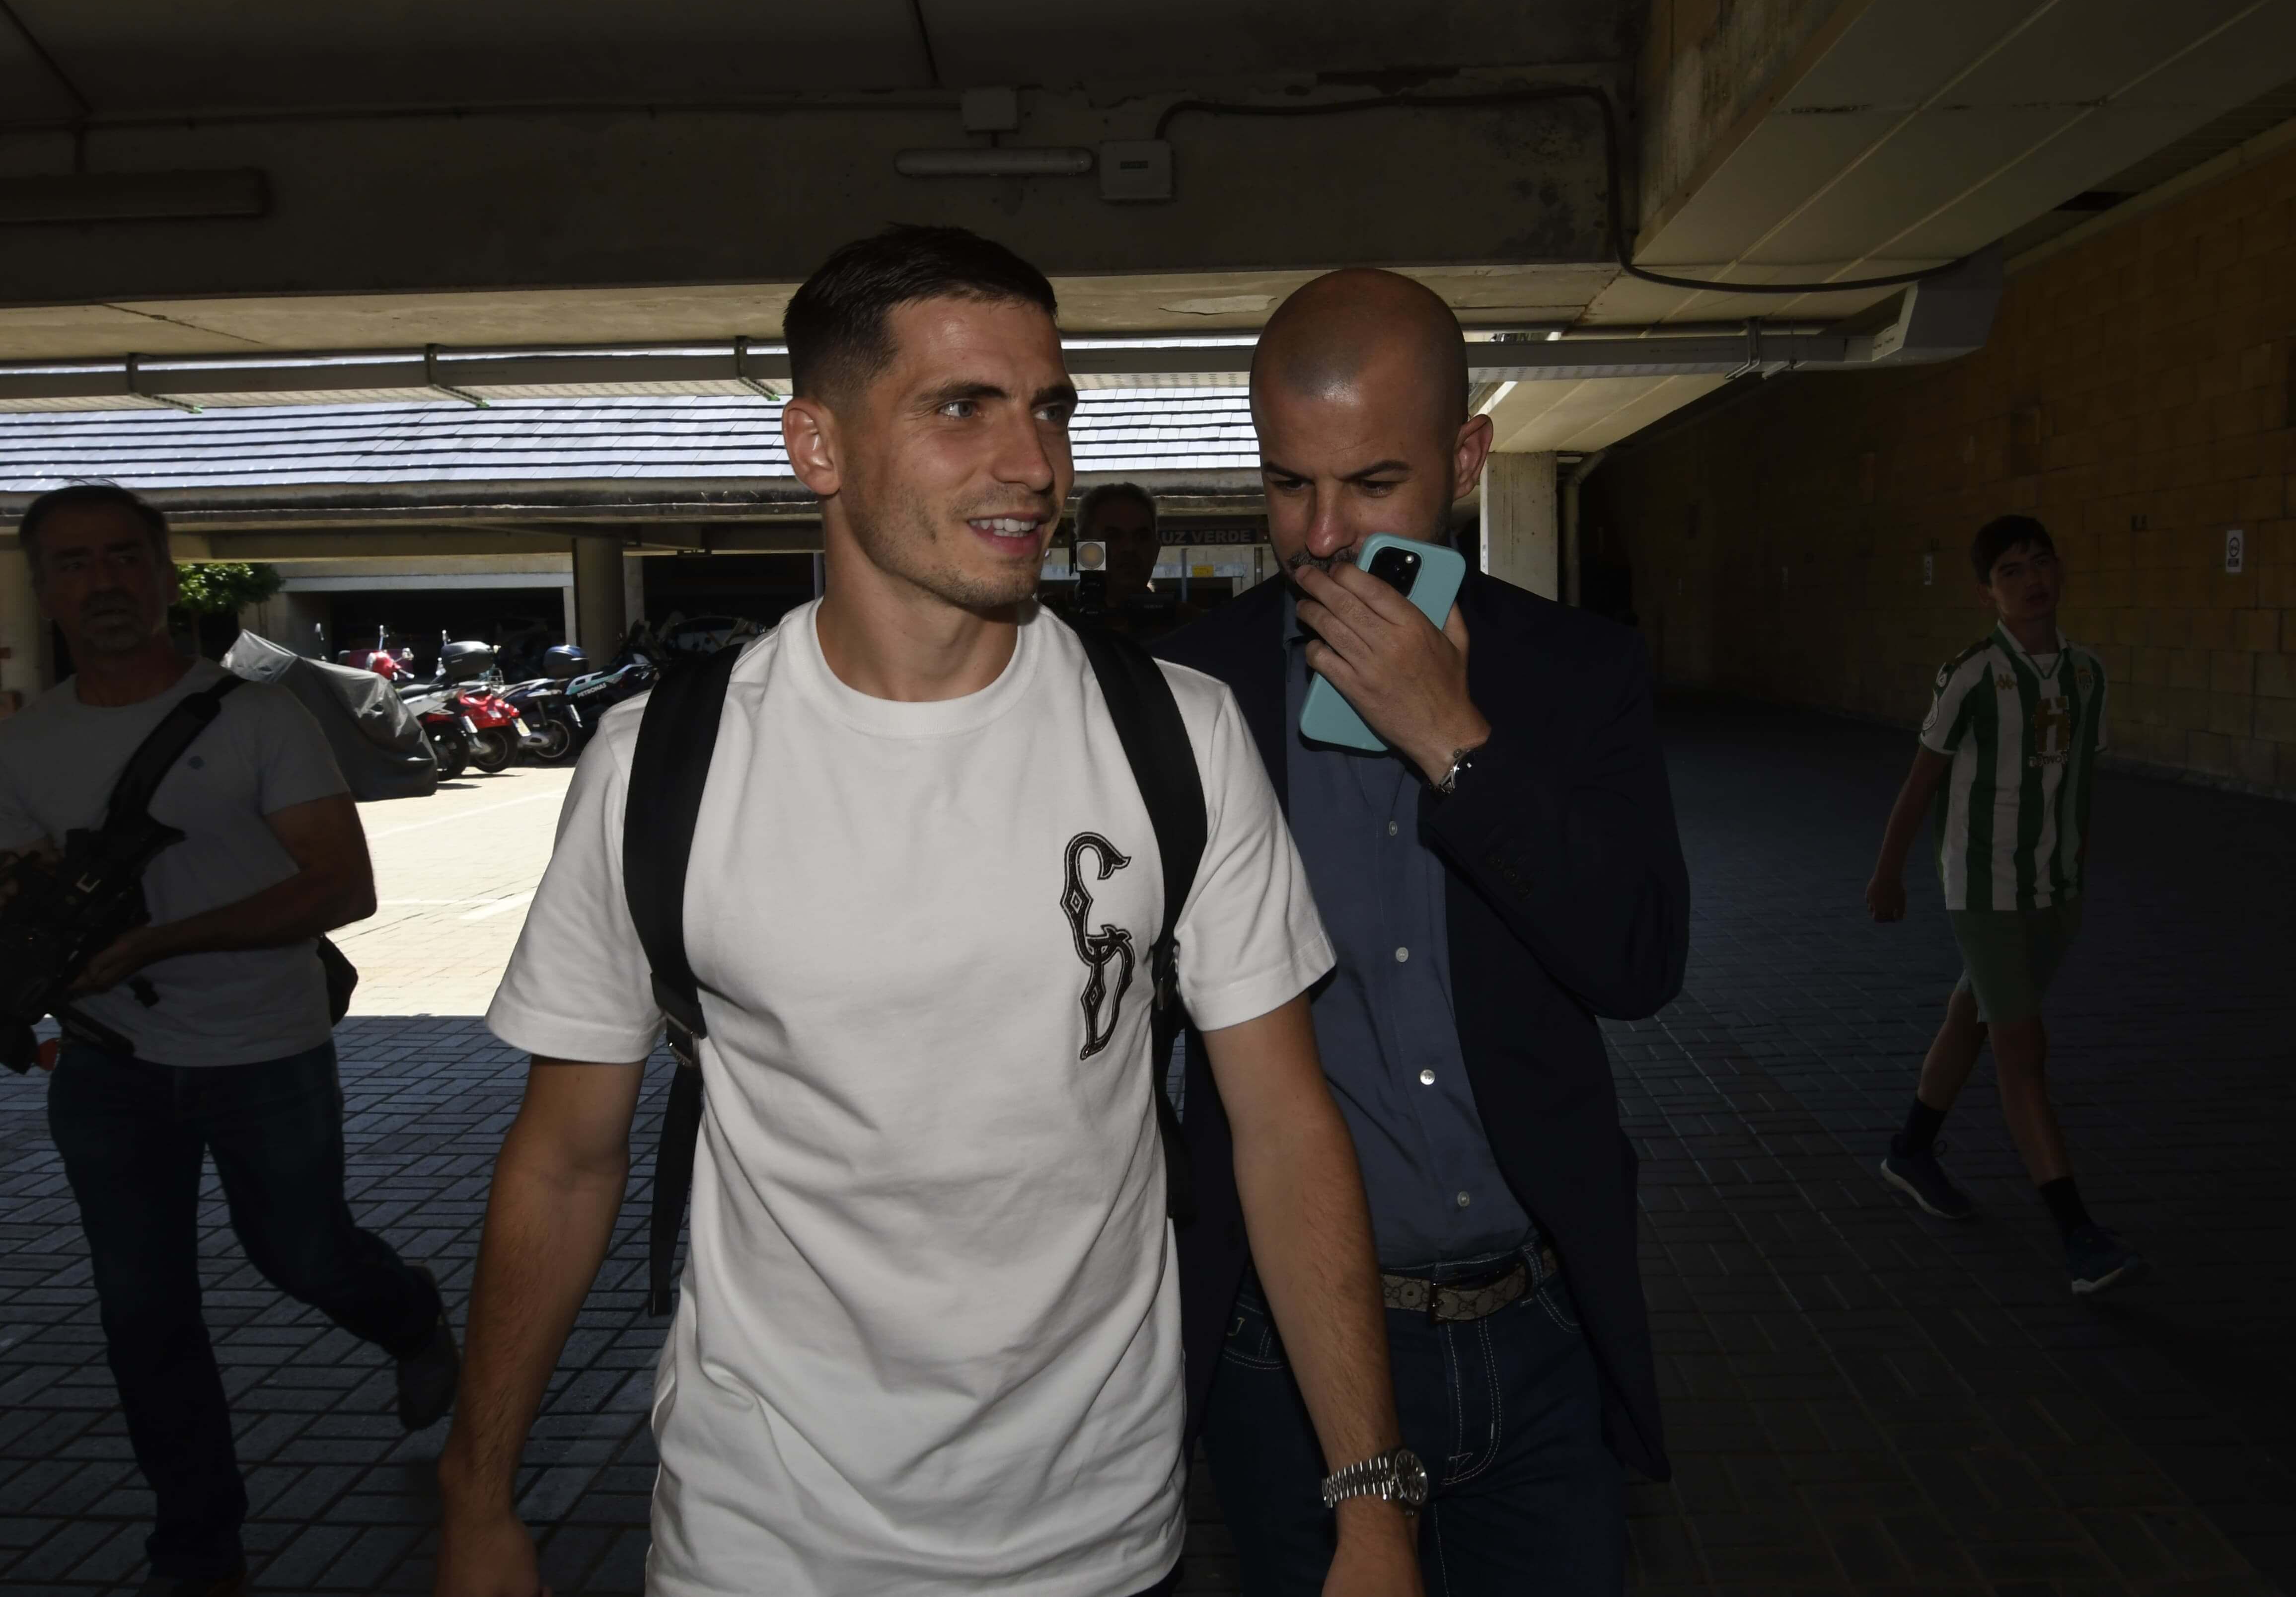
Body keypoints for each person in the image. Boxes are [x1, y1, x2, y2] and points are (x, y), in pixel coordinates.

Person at [434, 227, 1422, 1597]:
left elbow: (1284, 1128)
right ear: (818, 444)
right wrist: (477, 1494)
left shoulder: (1177, 739)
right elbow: (563, 1159)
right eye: (963, 407)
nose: (1034, 463)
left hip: (1097, 1536)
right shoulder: (662, 766)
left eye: (1049, 408)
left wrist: (1371, 1501)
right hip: (760, 1542)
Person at [1158, 268, 1689, 1593]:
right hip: (1280, 1349)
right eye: (1289, 483)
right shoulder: (1191, 692)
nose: (1324, 534)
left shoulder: (1577, 672)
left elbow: (1637, 961)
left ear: (1465, 458)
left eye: (1374, 482)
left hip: (1541, 1325)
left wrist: (1458, 741)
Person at [0, 482, 454, 1597]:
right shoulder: (26, 742)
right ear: (44, 589)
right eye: (73, 563)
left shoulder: (257, 717)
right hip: (108, 1062)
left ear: (164, 574)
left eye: (123, 557)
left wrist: (158, 939)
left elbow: (341, 885)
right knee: (142, 1311)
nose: (102, 581)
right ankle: (197, 1544)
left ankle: (411, 1317)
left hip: (264, 1047)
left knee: (304, 1255)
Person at [1863, 514, 2145, 1296]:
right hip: (1983, 887)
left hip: (2054, 890)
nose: (2032, 581)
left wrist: (2072, 867)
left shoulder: (2088, 674)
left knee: (1975, 1016)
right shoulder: (1973, 675)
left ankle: (1911, 1150)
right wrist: (1888, 873)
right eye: (2011, 571)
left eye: (2041, 563)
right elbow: (1922, 780)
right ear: (1987, 591)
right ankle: (2078, 1235)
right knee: (2023, 1050)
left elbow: (2079, 780)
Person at [1076, 480, 1201, 644]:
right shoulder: (1057, 628)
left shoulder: (1191, 627)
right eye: (1113, 537)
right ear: (1084, 549)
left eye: (1142, 537)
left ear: (1156, 551)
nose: (1130, 548)